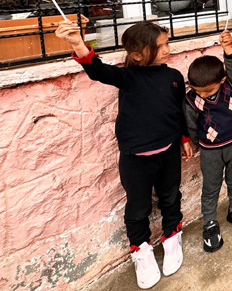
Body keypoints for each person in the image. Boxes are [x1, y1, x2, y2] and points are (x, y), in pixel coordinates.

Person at [55, 20, 192, 289]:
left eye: (166, 44)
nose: (166, 49)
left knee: (170, 195)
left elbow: (179, 111)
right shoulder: (127, 78)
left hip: (169, 151)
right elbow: (97, 70)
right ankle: (141, 250)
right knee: (138, 206)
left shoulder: (174, 76)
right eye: (160, 46)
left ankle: (172, 237)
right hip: (136, 156)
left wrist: (185, 138)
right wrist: (78, 44)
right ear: (137, 54)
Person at [184, 30, 232, 253]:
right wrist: (195, 143)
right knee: (211, 187)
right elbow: (191, 124)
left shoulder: (231, 85)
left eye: (208, 90)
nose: (203, 95)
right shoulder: (192, 99)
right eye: (198, 91)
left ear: (221, 81)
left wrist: (228, 49)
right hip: (210, 151)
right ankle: (210, 223)